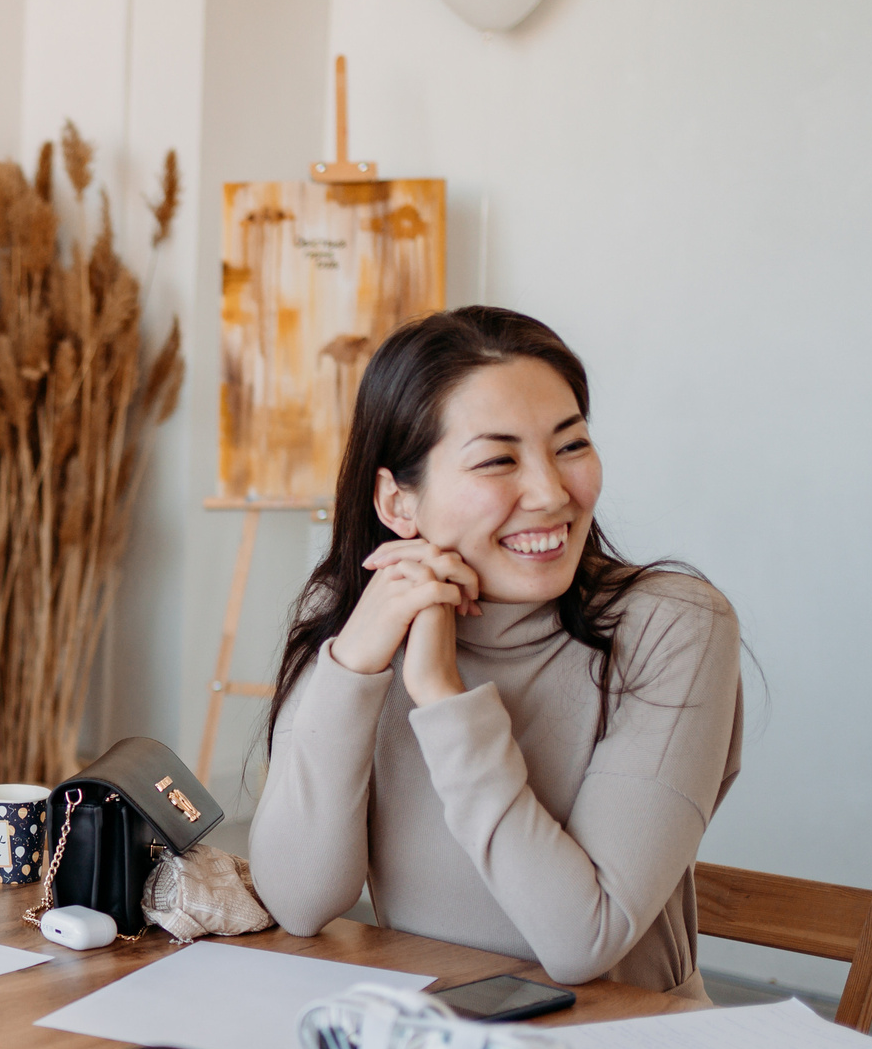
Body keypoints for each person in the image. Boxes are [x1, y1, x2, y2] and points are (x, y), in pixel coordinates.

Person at [250, 308, 741, 996]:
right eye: (498, 459)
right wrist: (353, 665)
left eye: (571, 446)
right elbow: (299, 901)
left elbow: (584, 940)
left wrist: (444, 698)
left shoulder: (673, 627)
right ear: (398, 503)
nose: (550, 492)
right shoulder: (358, 617)